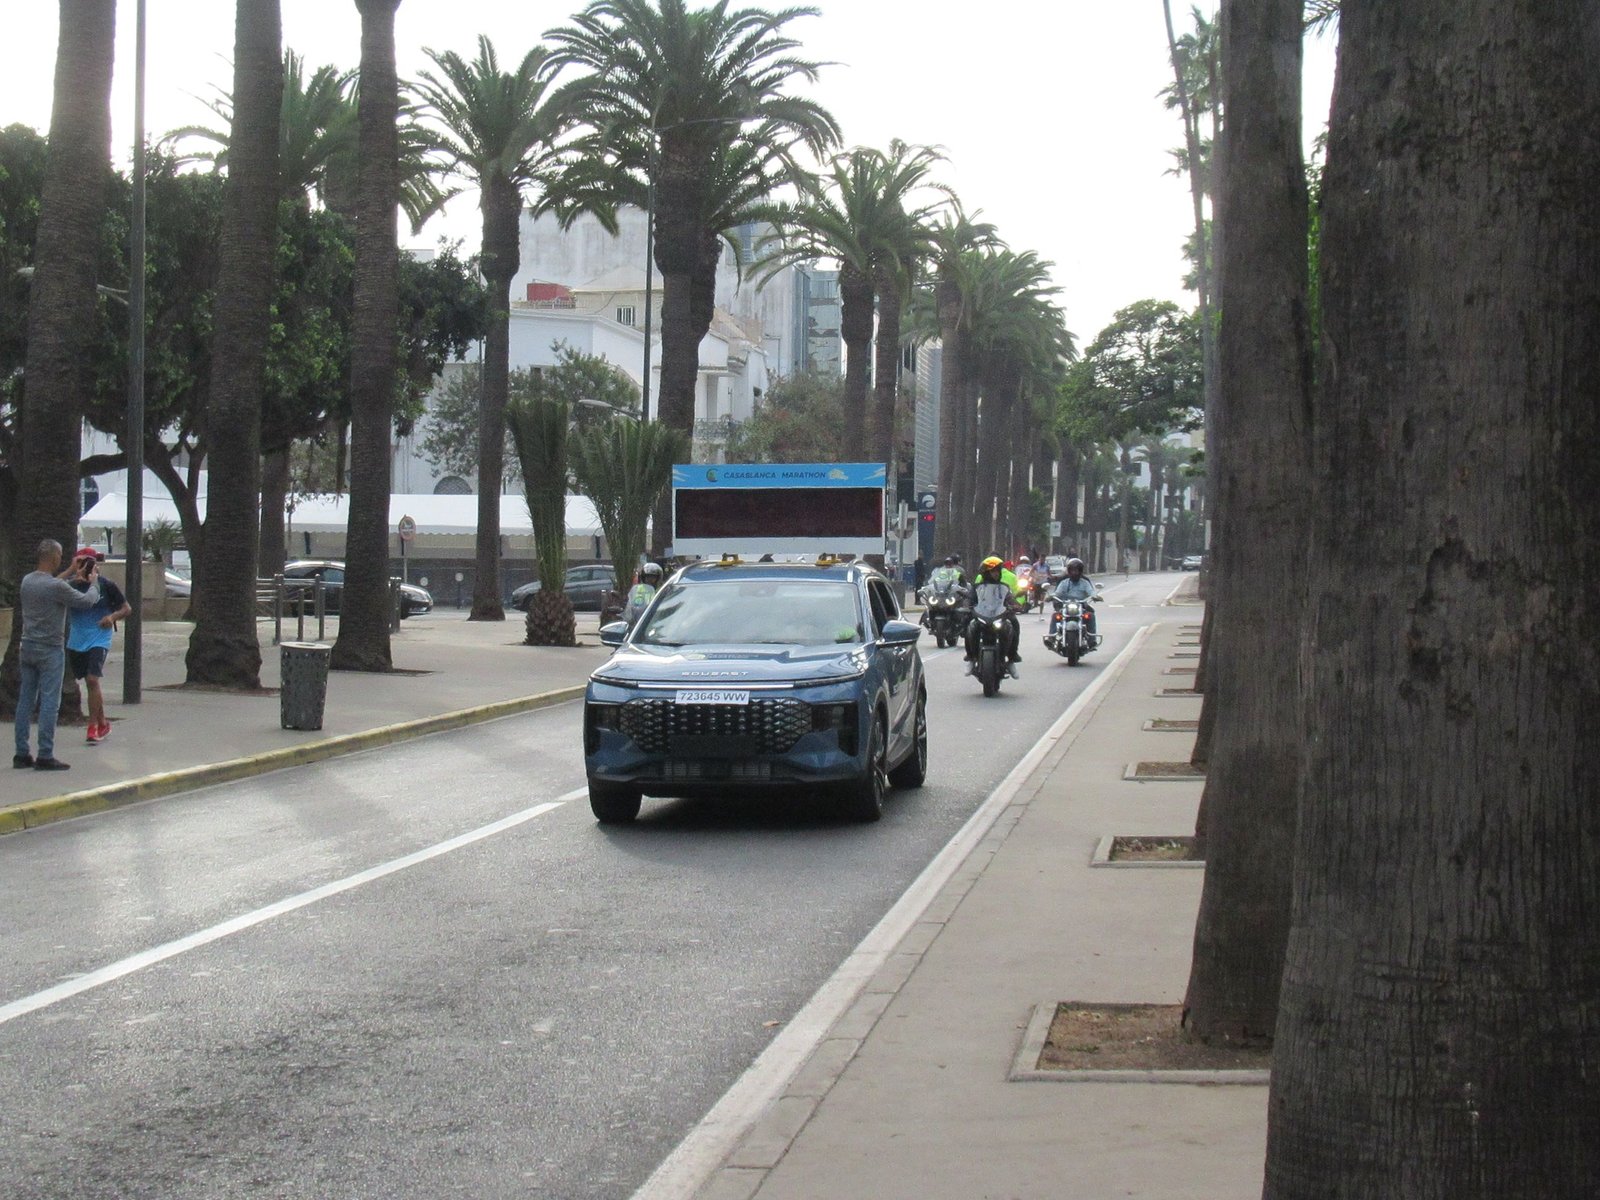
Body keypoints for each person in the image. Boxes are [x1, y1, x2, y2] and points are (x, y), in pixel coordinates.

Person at [15, 539, 102, 771]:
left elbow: (53, 586)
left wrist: (72, 573)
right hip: (50, 651)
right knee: (49, 703)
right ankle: (45, 753)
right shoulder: (55, 587)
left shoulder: (27, 581)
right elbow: (86, 602)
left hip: (28, 647)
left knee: (25, 700)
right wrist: (94, 584)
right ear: (54, 558)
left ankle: (21, 753)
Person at [66, 548, 130, 745]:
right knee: (88, 681)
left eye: (92, 563)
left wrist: (111, 617)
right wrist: (72, 575)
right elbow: (53, 591)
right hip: (77, 640)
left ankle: (92, 726)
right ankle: (102, 721)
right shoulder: (70, 587)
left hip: (99, 638)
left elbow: (126, 608)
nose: (88, 567)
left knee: (93, 679)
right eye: (84, 563)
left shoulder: (106, 585)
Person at [964, 555, 1023, 677]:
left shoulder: (1004, 587)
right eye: (992, 571)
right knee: (969, 625)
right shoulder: (977, 588)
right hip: (981, 616)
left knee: (1013, 623)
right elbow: (969, 600)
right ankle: (971, 657)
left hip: (999, 616)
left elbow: (1010, 599)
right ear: (986, 572)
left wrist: (1015, 606)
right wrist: (966, 607)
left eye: (997, 571)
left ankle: (1011, 658)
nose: (995, 574)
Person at [1052, 557, 1101, 645]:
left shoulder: (1085, 582)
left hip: (1081, 606)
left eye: (1077, 570)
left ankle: (1092, 639)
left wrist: (1095, 596)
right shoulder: (1064, 582)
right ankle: (1051, 638)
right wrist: (1051, 597)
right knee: (1055, 615)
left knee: (1090, 616)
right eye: (1072, 570)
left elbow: (1091, 592)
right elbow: (1057, 593)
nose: (1075, 572)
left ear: (1080, 571)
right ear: (1069, 571)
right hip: (1066, 606)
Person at [622, 562, 663, 627]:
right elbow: (631, 603)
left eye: (653, 577)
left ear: (658, 578)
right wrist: (628, 613)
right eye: (647, 577)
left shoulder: (662, 591)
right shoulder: (638, 589)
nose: (649, 580)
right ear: (643, 578)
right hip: (638, 622)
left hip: (654, 622)